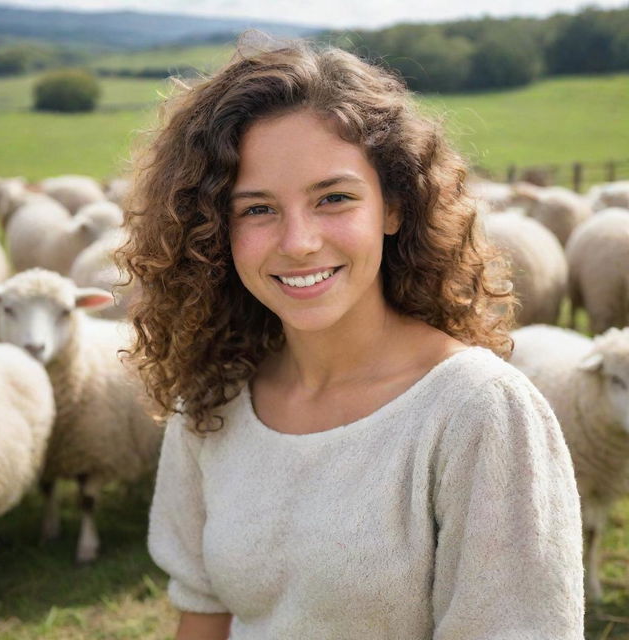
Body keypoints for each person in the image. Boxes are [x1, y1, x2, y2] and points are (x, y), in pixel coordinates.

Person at [118, 36, 584, 640]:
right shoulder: (213, 398)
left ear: (393, 207)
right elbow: (205, 612)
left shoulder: (478, 412)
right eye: (256, 209)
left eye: (333, 198)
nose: (299, 242)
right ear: (213, 230)